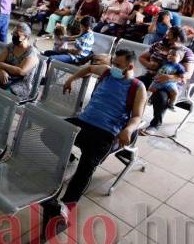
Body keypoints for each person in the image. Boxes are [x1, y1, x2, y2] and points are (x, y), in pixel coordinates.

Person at [56, 49, 146, 213]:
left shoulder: (137, 87)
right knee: (48, 131)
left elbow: (137, 116)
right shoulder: (107, 72)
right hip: (83, 121)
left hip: (106, 132)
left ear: (130, 66)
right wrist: (72, 78)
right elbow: (90, 68)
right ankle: (70, 157)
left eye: (118, 65)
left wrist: (128, 129)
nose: (114, 68)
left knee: (86, 168)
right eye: (113, 63)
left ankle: (67, 205)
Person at [138, 27, 194, 134]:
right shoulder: (158, 45)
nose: (165, 36)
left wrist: (169, 77)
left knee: (161, 96)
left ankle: (155, 125)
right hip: (151, 77)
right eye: (166, 34)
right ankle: (133, 116)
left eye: (169, 35)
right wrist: (150, 65)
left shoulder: (186, 53)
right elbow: (142, 57)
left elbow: (187, 74)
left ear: (177, 38)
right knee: (132, 85)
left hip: (171, 83)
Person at [0, 22, 38, 100]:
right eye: (13, 33)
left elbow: (21, 71)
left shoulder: (31, 52)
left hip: (20, 83)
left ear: (25, 37)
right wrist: (1, 71)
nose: (14, 36)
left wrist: (1, 65)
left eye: (17, 34)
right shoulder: (11, 46)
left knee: (0, 96)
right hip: (7, 78)